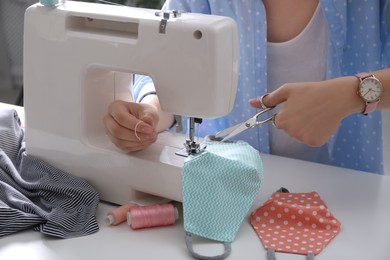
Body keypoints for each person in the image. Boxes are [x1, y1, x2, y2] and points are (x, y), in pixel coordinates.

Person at [104, 0, 390, 174]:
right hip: (223, 187)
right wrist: (151, 111)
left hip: (350, 197)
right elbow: (163, 67)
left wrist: (354, 94)